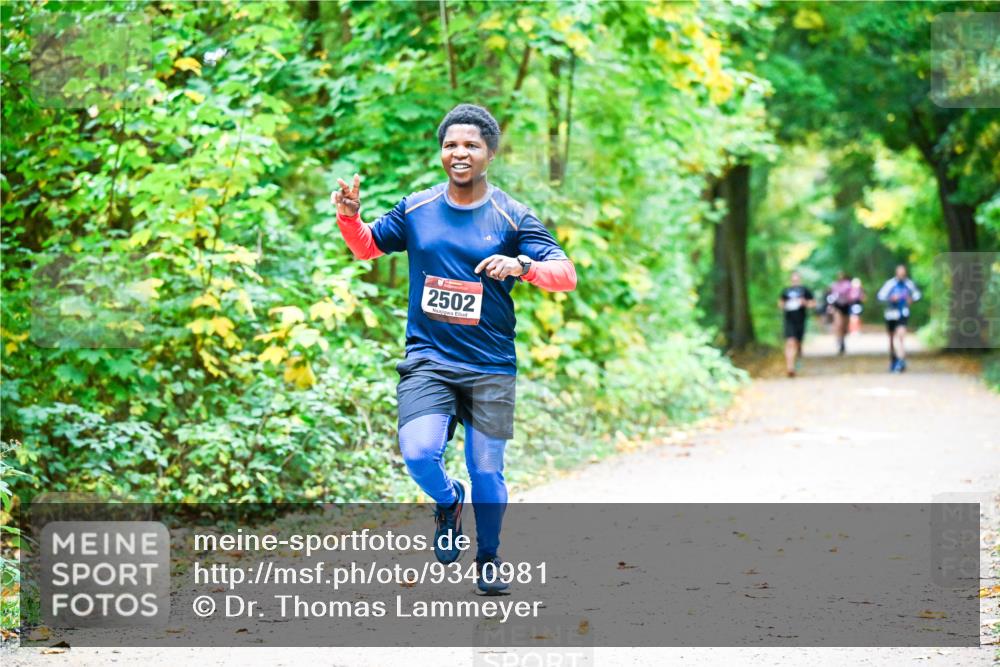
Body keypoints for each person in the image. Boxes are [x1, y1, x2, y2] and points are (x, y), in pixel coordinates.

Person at [331, 104, 577, 594]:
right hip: (429, 360)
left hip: (490, 365)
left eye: (471, 145)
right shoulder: (418, 209)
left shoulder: (512, 215)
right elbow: (365, 247)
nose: (459, 152)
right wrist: (348, 216)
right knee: (419, 453)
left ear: (489, 154)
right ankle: (447, 501)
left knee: (487, 468)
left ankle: (489, 555)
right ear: (441, 152)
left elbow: (565, 275)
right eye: (450, 144)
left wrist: (522, 265)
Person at [877, 264, 921, 373]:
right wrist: (891, 298)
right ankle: (893, 358)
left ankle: (901, 361)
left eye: (903, 272)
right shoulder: (890, 284)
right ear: (896, 273)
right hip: (891, 313)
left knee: (901, 336)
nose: (901, 274)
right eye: (899, 272)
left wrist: (911, 299)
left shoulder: (909, 284)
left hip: (903, 312)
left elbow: (917, 294)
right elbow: (880, 295)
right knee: (891, 338)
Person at [778, 271, 816, 377]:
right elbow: (780, 304)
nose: (795, 281)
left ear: (800, 279)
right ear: (790, 280)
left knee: (798, 344)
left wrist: (805, 303)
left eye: (797, 279)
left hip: (800, 320)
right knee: (790, 342)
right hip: (789, 320)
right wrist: (785, 305)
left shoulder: (805, 290)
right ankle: (790, 367)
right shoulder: (786, 291)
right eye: (793, 280)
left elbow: (813, 304)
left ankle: (797, 358)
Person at [827, 271, 852, 355]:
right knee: (838, 324)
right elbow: (831, 296)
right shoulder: (834, 285)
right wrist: (830, 305)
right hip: (837, 306)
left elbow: (852, 295)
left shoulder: (848, 285)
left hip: (846, 306)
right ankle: (839, 341)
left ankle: (843, 339)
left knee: (845, 326)